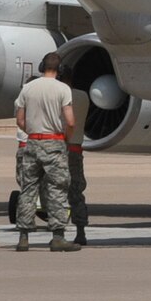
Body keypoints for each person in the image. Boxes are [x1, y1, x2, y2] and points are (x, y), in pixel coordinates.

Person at [12, 53, 79, 252]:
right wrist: (65, 137)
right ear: (59, 70)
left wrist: (33, 132)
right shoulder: (63, 89)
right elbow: (71, 121)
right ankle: (58, 236)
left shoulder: (28, 88)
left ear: (42, 67)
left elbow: (20, 120)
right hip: (54, 142)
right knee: (57, 188)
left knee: (28, 189)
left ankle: (23, 237)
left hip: (32, 142)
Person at [66, 85, 90, 247]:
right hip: (76, 148)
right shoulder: (83, 95)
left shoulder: (60, 94)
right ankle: (81, 230)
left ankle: (57, 231)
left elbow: (69, 122)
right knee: (76, 191)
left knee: (54, 190)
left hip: (60, 145)